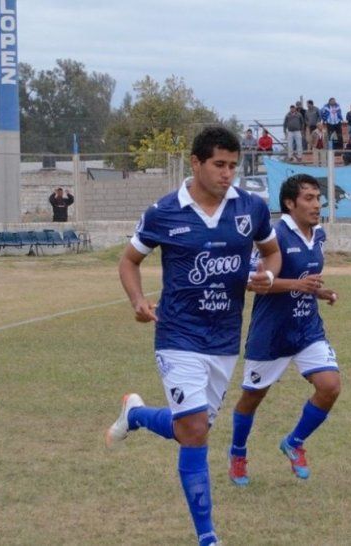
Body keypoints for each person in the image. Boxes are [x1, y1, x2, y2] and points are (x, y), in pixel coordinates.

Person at [105, 126, 281, 546]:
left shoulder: (251, 208)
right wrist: (137, 300)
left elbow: (271, 251)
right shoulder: (164, 212)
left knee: (190, 429)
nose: (227, 174)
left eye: (233, 166)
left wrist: (267, 275)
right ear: (196, 163)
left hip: (224, 338)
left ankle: (135, 415)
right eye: (219, 165)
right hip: (178, 334)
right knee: (196, 431)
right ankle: (207, 537)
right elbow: (129, 262)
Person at [227, 174, 340, 486]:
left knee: (330, 386)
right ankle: (237, 453)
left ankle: (294, 443)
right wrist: (296, 284)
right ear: (290, 204)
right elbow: (252, 281)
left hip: (306, 328)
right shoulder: (274, 236)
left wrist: (320, 292)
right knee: (252, 398)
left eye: (318, 198)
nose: (316, 205)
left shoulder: (318, 235)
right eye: (309, 198)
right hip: (271, 332)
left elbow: (306, 279)